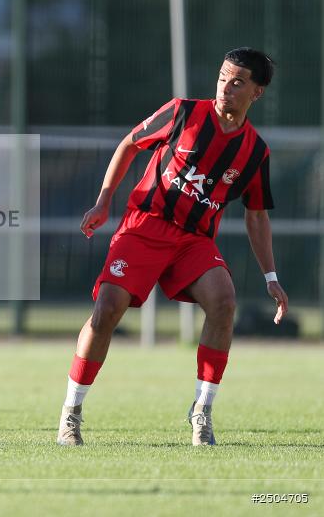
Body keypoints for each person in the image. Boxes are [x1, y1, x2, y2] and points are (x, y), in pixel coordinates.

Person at [56, 47, 289, 446]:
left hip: (193, 241)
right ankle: (71, 413)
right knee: (107, 308)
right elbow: (130, 144)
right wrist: (103, 201)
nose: (225, 88)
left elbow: (256, 216)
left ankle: (202, 411)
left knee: (224, 302)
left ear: (257, 93)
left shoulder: (255, 152)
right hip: (145, 226)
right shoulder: (183, 112)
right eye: (222, 77)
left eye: (237, 82)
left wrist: (271, 276)